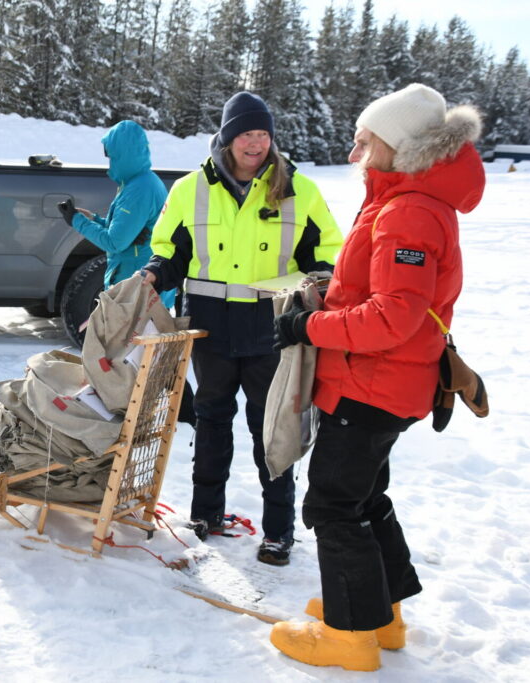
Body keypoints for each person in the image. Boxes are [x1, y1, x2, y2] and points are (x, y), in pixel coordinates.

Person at [269, 85, 484, 671]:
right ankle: (378, 615)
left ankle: (348, 635)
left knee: (334, 505)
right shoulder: (405, 199)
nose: (355, 151)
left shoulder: (409, 211)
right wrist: (331, 293)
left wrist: (309, 327)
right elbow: (385, 295)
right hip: (387, 385)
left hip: (371, 388)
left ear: (399, 146)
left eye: (365, 141)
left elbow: (393, 317)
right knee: (364, 498)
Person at [142, 92, 342, 565]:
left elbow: (327, 257)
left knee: (271, 428)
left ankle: (278, 532)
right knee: (211, 420)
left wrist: (311, 295)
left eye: (263, 134)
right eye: (246, 134)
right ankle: (205, 514)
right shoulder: (190, 188)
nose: (256, 143)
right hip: (210, 326)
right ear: (228, 138)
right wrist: (151, 275)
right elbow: (171, 252)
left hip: (270, 328)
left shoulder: (299, 189)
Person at [57, 120, 194, 424]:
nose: (109, 162)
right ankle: (180, 413)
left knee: (127, 352)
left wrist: (76, 224)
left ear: (123, 154)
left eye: (112, 156)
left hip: (136, 285)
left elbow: (116, 241)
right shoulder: (139, 183)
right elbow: (125, 230)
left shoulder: (140, 188)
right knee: (144, 351)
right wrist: (94, 218)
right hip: (139, 281)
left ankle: (157, 413)